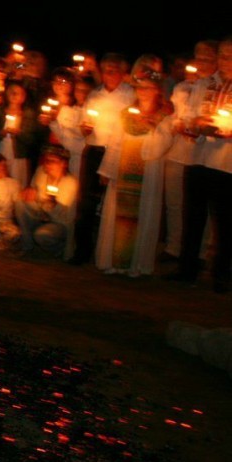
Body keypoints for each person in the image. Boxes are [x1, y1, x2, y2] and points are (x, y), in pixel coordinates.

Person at [94, 68, 173, 277]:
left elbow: (163, 145)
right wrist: (108, 170)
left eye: (148, 88)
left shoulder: (164, 116)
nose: (143, 92)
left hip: (147, 171)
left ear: (157, 91)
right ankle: (114, 260)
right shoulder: (126, 114)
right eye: (140, 88)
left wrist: (153, 128)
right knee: (117, 215)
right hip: (123, 170)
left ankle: (135, 265)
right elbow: (115, 142)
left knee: (143, 214)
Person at [168, 36, 232, 293]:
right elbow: (190, 114)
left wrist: (225, 128)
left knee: (225, 222)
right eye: (223, 55)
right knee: (192, 216)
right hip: (198, 157)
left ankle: (221, 274)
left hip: (226, 163)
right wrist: (194, 124)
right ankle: (187, 269)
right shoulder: (205, 83)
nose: (226, 61)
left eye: (231, 56)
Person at [69, 53, 135, 265]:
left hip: (119, 152)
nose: (109, 74)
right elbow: (83, 123)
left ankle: (111, 252)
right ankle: (82, 250)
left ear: (123, 72)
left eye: (114, 70)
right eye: (106, 70)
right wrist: (84, 128)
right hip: (94, 150)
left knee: (114, 203)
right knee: (86, 202)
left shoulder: (130, 94)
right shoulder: (94, 95)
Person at [15, 144, 79, 259]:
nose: (47, 164)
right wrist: (28, 193)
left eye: (52, 161)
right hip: (41, 214)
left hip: (59, 222)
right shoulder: (41, 172)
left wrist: (43, 200)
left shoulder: (70, 183)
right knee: (20, 202)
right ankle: (27, 244)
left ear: (63, 164)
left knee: (42, 235)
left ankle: (58, 248)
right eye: (46, 160)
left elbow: (58, 212)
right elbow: (33, 191)